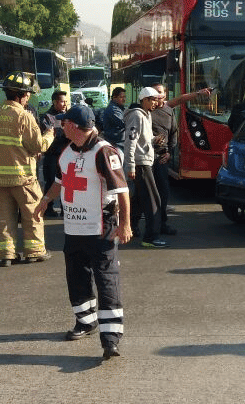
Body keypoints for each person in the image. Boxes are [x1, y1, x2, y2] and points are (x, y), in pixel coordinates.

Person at [34, 104, 133, 361]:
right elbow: (59, 182)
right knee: (76, 277)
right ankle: (85, 321)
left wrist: (126, 224)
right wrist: (46, 200)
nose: (61, 126)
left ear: (74, 127)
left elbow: (122, 191)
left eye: (64, 123)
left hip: (101, 228)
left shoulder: (104, 151)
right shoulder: (66, 151)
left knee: (106, 279)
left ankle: (111, 338)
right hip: (74, 230)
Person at [0, 71, 55, 267]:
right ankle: (34, 251)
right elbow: (37, 146)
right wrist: (50, 134)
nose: (29, 97)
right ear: (21, 95)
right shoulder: (24, 116)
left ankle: (7, 255)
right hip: (23, 179)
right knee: (32, 214)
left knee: (4, 218)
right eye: (28, 93)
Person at [148, 84, 213, 237]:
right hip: (146, 159)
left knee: (163, 193)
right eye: (156, 93)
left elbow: (173, 134)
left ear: (165, 94)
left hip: (162, 158)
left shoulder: (168, 109)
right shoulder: (145, 110)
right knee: (143, 194)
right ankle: (136, 224)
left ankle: (161, 224)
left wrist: (170, 153)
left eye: (161, 92)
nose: (159, 96)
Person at [123, 86, 167, 248]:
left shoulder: (145, 114)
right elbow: (131, 140)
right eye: (153, 100)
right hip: (141, 163)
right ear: (144, 100)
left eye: (157, 99)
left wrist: (154, 139)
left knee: (140, 199)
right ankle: (151, 237)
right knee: (152, 199)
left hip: (144, 161)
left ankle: (132, 226)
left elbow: (141, 139)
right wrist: (131, 166)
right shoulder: (137, 115)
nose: (156, 103)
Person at [40, 90, 70, 217]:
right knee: (51, 182)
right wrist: (62, 133)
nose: (64, 104)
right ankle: (48, 208)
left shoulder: (68, 116)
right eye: (62, 101)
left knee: (67, 183)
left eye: (66, 101)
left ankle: (66, 209)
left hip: (66, 155)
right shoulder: (47, 117)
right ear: (54, 102)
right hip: (52, 155)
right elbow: (47, 135)